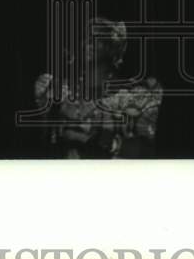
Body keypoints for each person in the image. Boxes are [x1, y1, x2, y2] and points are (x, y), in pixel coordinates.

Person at [33, 17, 163, 158]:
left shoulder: (135, 97)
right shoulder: (59, 90)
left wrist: (99, 140)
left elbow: (148, 152)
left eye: (98, 37)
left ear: (113, 46)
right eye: (86, 37)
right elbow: (42, 143)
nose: (89, 42)